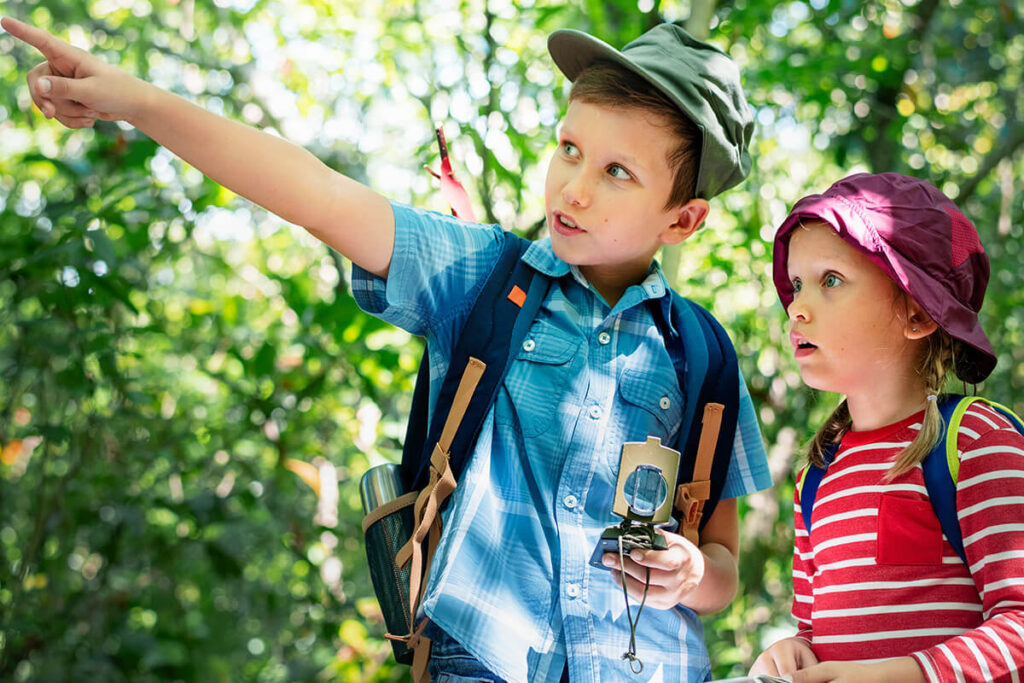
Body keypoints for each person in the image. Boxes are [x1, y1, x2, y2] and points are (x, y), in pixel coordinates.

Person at [3, 15, 772, 681]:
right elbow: (316, 192)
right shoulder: (484, 277)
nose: (573, 188)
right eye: (570, 148)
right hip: (485, 660)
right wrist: (130, 98)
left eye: (616, 172)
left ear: (684, 220)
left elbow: (724, 566)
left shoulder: (702, 354)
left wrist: (695, 573)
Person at [749, 173, 1024, 682]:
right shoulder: (816, 475)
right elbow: (814, 629)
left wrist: (911, 673)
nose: (796, 307)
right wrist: (794, 651)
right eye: (797, 284)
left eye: (830, 280)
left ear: (918, 314)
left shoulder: (974, 443)